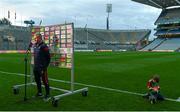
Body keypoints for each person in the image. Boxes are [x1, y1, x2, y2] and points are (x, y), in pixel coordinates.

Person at [33, 33, 51, 101]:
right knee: (37, 80)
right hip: (36, 67)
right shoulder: (35, 45)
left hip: (42, 67)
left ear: (39, 38)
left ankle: (48, 94)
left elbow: (48, 57)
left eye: (36, 38)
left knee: (45, 81)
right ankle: (40, 92)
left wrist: (45, 67)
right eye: (34, 38)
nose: (35, 39)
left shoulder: (44, 46)